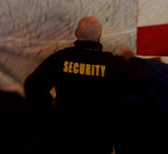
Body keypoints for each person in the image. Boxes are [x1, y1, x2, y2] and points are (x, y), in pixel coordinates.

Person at [24, 16, 148, 154]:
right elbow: (139, 86)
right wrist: (131, 60)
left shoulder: (61, 58)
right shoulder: (114, 64)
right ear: (100, 36)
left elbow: (32, 86)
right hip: (98, 141)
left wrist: (50, 104)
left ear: (76, 33)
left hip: (63, 139)